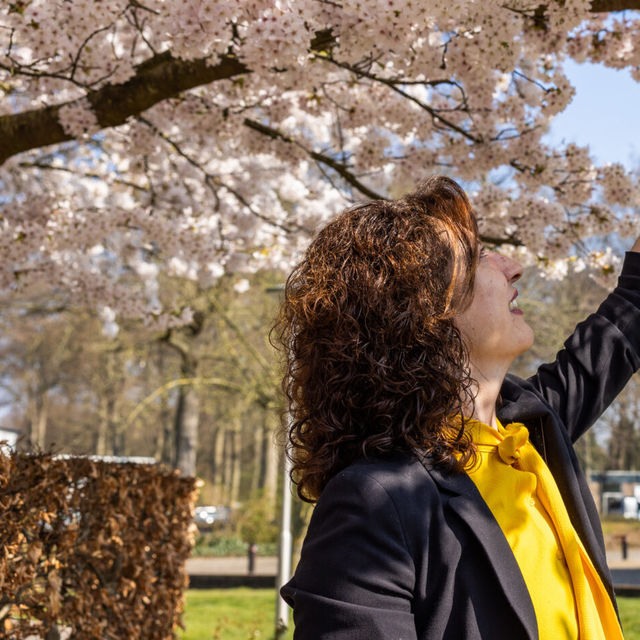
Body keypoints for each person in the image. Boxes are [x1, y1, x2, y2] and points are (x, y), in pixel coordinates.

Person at [273, 176, 640, 639]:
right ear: (420, 313)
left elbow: (628, 317)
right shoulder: (375, 504)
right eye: (478, 257)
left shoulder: (530, 430)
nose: (514, 266)